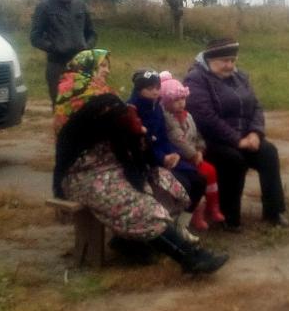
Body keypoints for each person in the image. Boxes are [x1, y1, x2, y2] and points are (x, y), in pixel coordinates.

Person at [53, 94, 227, 274]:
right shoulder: (79, 133)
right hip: (83, 179)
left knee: (163, 183)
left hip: (112, 171)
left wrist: (140, 137)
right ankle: (189, 257)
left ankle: (130, 242)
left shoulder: (117, 125)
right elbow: (74, 169)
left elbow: (134, 157)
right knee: (139, 207)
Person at [183, 37, 288, 231]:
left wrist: (255, 133)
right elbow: (205, 118)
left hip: (245, 137)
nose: (230, 65)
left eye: (233, 60)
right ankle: (228, 216)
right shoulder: (196, 79)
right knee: (233, 160)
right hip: (210, 141)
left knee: (268, 153)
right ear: (209, 59)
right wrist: (237, 140)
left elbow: (256, 107)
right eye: (224, 61)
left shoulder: (240, 77)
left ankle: (274, 211)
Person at [129, 69, 206, 224]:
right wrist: (162, 158)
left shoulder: (156, 108)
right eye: (149, 88)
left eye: (157, 88)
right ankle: (166, 224)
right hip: (145, 162)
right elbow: (139, 145)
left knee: (199, 180)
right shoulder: (132, 111)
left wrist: (173, 154)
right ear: (139, 89)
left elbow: (163, 137)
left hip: (164, 156)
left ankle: (182, 224)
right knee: (183, 184)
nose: (155, 92)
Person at [160, 72, 225, 231]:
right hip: (181, 158)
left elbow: (197, 135)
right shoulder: (167, 119)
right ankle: (197, 214)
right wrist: (193, 154)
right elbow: (178, 139)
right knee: (201, 177)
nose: (181, 103)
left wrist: (200, 149)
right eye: (176, 100)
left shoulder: (188, 116)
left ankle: (213, 206)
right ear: (166, 102)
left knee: (211, 171)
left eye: (182, 99)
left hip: (194, 155)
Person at [31, 0, 97, 101]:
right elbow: (35, 37)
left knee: (81, 102)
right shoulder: (44, 7)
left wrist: (86, 47)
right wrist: (53, 47)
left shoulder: (81, 6)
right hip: (57, 65)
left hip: (80, 64)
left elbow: (92, 33)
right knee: (60, 103)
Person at [53, 48, 113, 134]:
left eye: (108, 67)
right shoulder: (91, 92)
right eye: (103, 66)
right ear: (88, 65)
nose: (108, 71)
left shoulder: (68, 83)